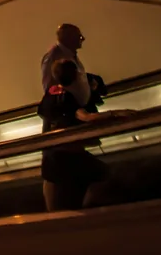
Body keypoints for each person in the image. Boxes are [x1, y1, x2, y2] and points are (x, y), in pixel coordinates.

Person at [39, 60, 131, 211]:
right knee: (103, 174)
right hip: (70, 154)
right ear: (75, 74)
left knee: (52, 184)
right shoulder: (69, 97)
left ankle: (53, 217)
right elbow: (85, 116)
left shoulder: (50, 93)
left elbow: (46, 115)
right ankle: (88, 209)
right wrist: (115, 113)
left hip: (52, 154)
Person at [40, 23, 91, 107]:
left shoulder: (70, 53)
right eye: (79, 37)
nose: (83, 39)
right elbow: (49, 88)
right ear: (69, 38)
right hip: (70, 109)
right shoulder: (52, 58)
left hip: (81, 106)